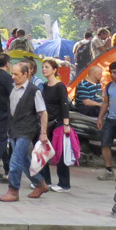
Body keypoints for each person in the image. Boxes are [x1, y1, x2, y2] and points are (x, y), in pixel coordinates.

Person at [0, 60, 51, 202]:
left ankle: (13, 190)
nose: (13, 77)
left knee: (15, 161)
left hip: (26, 130)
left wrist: (43, 133)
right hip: (14, 129)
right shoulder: (13, 88)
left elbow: (43, 112)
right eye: (12, 74)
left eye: (16, 74)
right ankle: (40, 184)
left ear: (26, 74)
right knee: (23, 160)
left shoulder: (34, 91)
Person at [39, 58, 72, 192]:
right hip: (47, 122)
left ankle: (64, 183)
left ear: (54, 70)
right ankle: (45, 180)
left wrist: (66, 124)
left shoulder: (60, 86)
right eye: (43, 67)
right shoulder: (45, 86)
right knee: (44, 151)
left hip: (58, 122)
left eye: (47, 67)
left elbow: (64, 105)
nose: (44, 69)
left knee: (60, 152)